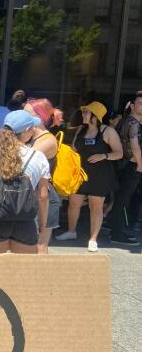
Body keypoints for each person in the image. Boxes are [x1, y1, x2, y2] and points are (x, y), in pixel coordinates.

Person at [0, 111, 51, 254]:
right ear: (25, 132)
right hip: (25, 218)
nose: (33, 131)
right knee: (24, 271)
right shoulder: (39, 157)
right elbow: (42, 196)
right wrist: (43, 224)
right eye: (32, 128)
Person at [55, 101, 123, 252]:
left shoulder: (108, 131)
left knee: (95, 206)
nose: (83, 114)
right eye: (84, 112)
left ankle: (93, 239)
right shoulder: (80, 129)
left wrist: (103, 155)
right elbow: (74, 149)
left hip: (100, 174)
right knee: (73, 202)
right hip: (80, 173)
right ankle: (71, 232)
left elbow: (119, 153)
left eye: (87, 112)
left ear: (95, 116)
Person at [24, 98, 61, 253]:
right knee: (28, 244)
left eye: (27, 114)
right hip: (32, 193)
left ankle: (41, 277)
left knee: (40, 245)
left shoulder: (48, 140)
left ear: (39, 117)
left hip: (44, 195)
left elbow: (25, 159)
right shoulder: (31, 137)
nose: (23, 117)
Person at [106, 91, 142, 245]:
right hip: (131, 165)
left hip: (125, 165)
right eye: (140, 103)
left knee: (121, 199)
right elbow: (135, 146)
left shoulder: (128, 121)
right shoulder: (133, 123)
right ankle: (117, 234)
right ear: (132, 106)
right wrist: (140, 165)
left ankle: (116, 229)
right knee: (122, 200)